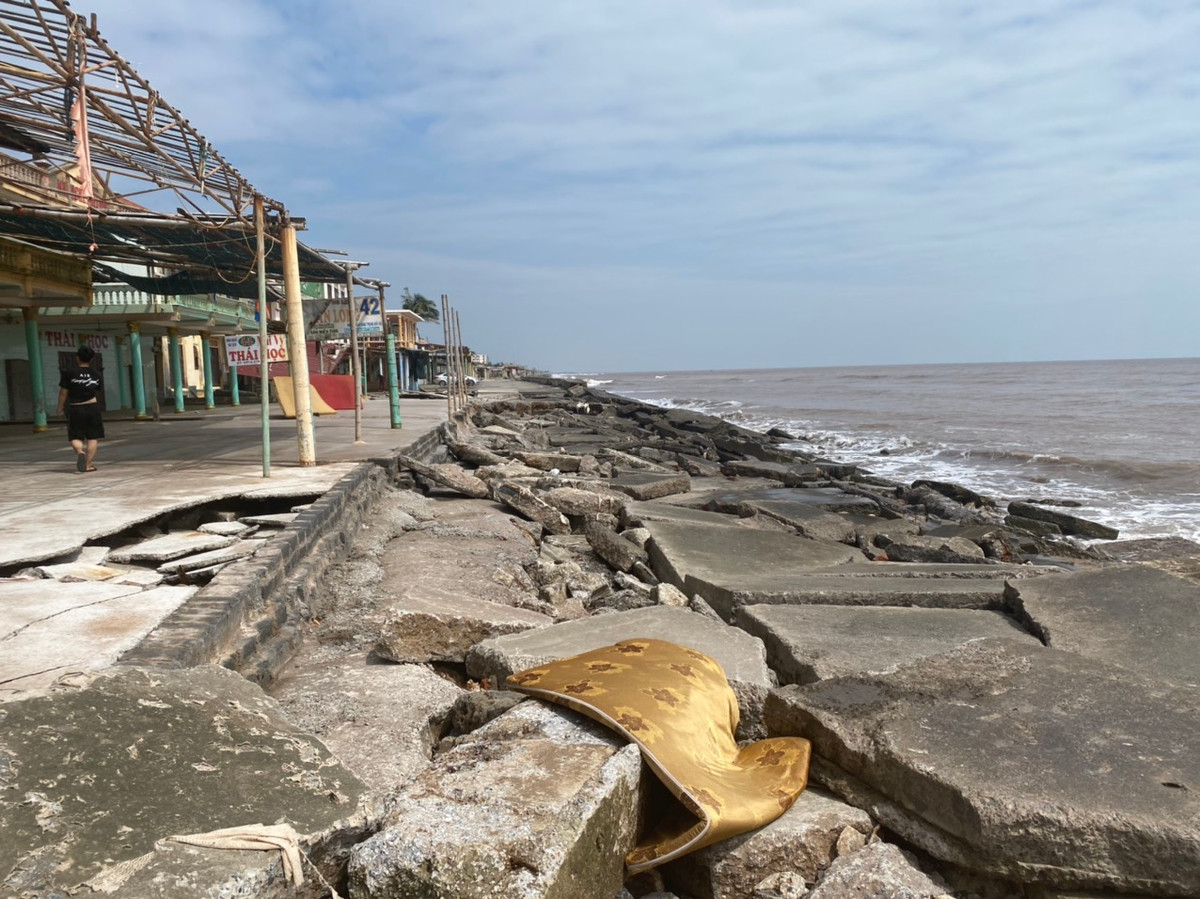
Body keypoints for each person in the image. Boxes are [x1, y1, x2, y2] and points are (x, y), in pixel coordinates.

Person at [56, 346, 104, 473]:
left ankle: (80, 452)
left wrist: (60, 407)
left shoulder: (69, 373)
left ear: (77, 357)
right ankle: (88, 465)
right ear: (92, 359)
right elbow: (97, 390)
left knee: (75, 436)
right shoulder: (96, 374)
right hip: (92, 407)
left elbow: (63, 392)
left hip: (75, 408)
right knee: (92, 437)